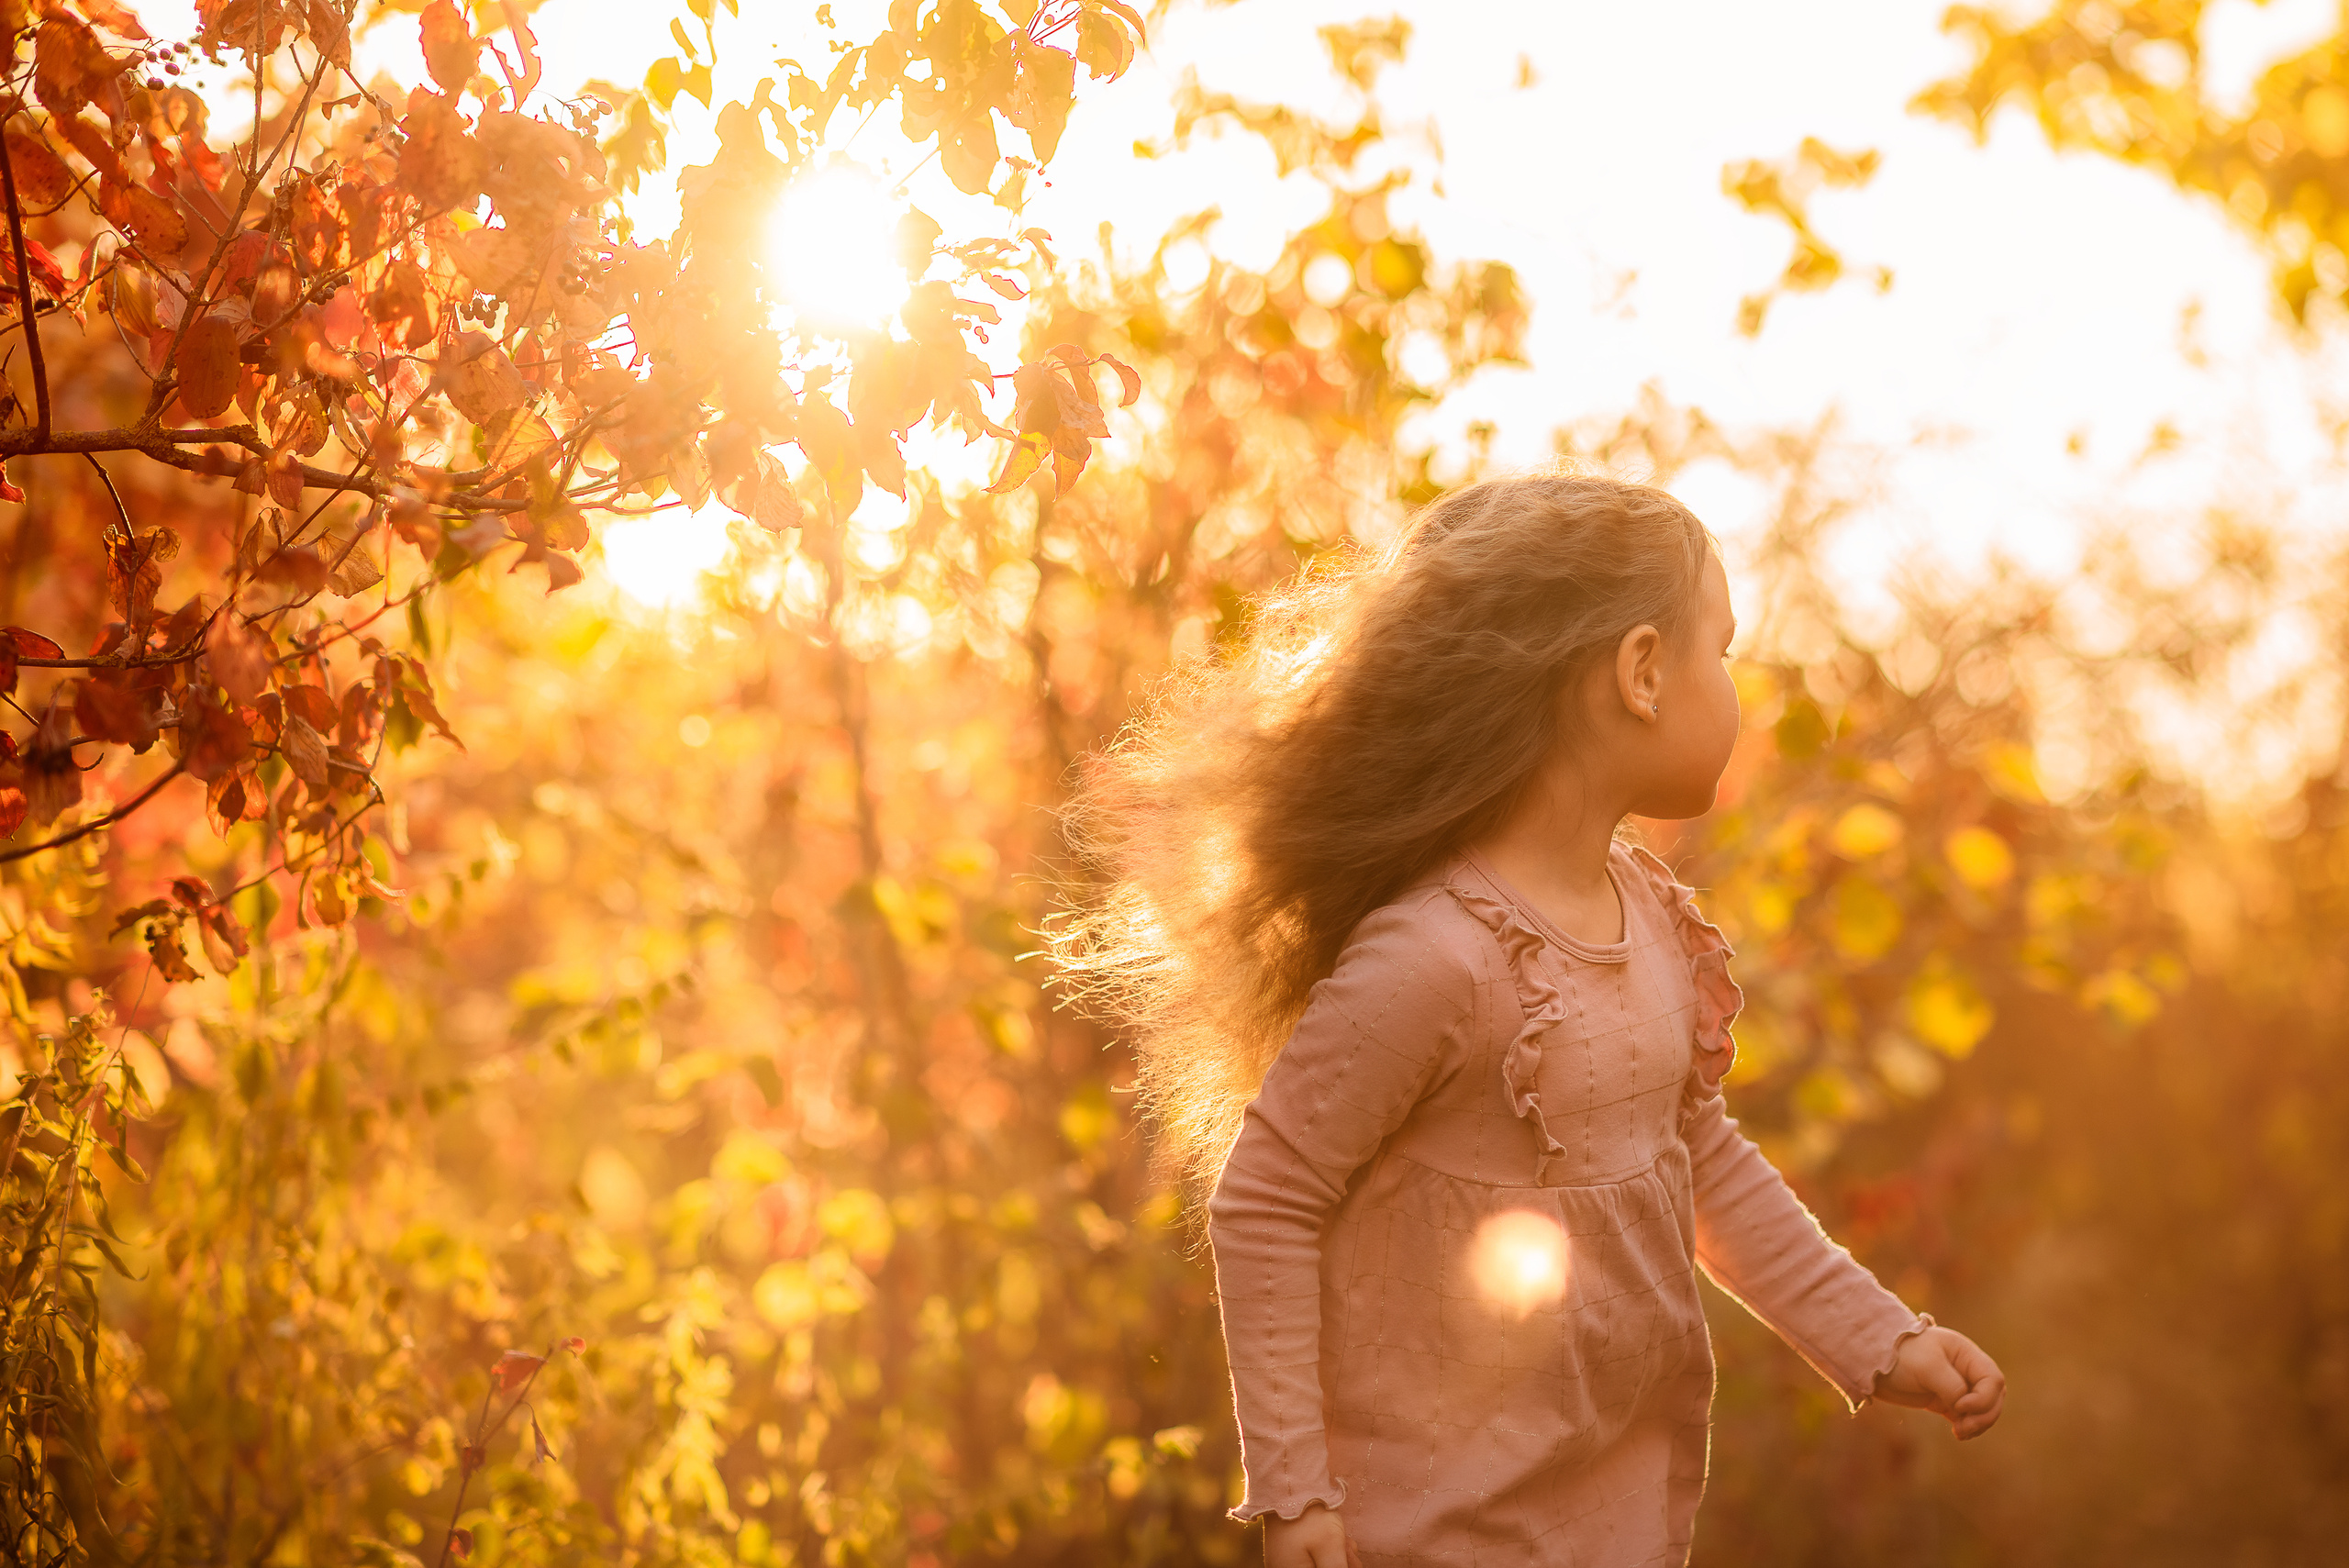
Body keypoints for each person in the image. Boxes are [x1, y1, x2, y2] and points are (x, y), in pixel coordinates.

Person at [1052, 472, 2005, 1566]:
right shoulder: (1438, 955)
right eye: (1724, 651)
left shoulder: (1647, 918)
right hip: (1425, 1531)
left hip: (1612, 1521)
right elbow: (1267, 1197)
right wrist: (1295, 1489)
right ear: (1642, 672)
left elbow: (1697, 1156)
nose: (1737, 689)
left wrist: (1880, 1337)